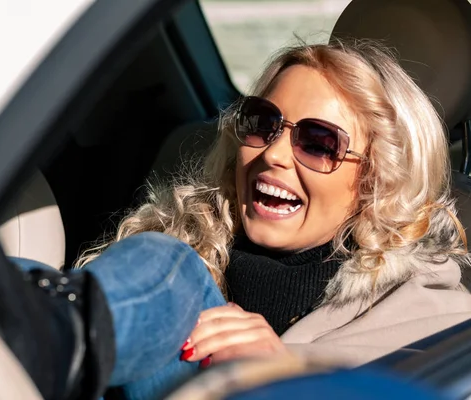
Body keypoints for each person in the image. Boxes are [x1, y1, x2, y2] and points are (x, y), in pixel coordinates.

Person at [74, 39, 471, 400]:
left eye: (318, 142)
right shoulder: (169, 254)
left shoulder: (443, 332)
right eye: (263, 123)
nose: (273, 154)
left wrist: (284, 374)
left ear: (378, 180)